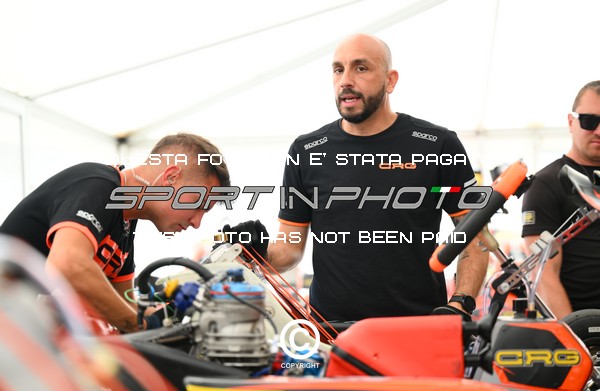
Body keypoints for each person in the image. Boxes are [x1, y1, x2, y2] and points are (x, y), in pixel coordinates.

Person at [225, 33, 488, 322]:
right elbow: (289, 249)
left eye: (360, 68)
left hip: (418, 329)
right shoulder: (305, 151)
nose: (345, 80)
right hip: (331, 334)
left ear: (390, 80)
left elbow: (475, 236)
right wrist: (257, 251)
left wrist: (460, 303)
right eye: (338, 70)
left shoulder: (438, 145)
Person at [0, 132, 230, 332]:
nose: (197, 222)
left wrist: (164, 314)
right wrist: (141, 324)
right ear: (171, 177)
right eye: (198, 204)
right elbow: (67, 265)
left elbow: (124, 301)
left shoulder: (126, 221)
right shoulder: (98, 185)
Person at [522, 80, 600, 320]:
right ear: (570, 122)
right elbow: (543, 274)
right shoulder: (546, 183)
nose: (599, 131)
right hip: (582, 326)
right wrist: (575, 334)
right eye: (589, 121)